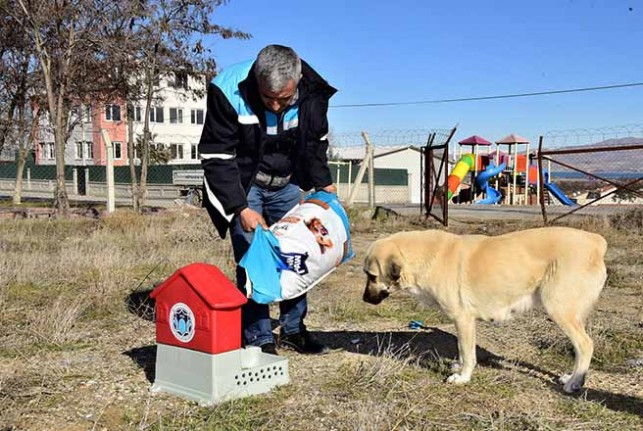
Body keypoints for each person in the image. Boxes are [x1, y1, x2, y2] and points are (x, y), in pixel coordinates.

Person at [198, 44, 337, 355]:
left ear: (298, 82)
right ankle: (259, 336)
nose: (275, 105)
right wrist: (240, 208)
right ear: (256, 81)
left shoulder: (313, 92)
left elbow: (315, 143)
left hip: (288, 184)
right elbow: (216, 156)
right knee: (255, 259)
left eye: (284, 99)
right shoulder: (227, 89)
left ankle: (293, 329)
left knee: (295, 255)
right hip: (246, 186)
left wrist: (324, 183)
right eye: (267, 98)